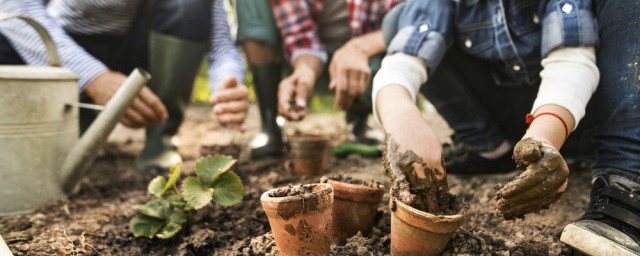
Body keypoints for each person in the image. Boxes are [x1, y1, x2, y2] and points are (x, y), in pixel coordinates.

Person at [375, 0, 639, 254]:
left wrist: (543, 137)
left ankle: (624, 179)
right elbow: (403, 62)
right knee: (399, 20)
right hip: (516, 123)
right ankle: (492, 151)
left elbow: (571, 62)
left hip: (586, 114)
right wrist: (401, 117)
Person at [0, 0, 248, 171]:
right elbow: (15, 9)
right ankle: (72, 124)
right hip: (67, 47)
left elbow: (222, 45)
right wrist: (93, 77)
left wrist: (228, 82)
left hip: (140, 50)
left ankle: (160, 138)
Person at [236, 0, 402, 159]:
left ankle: (358, 118)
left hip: (368, 61)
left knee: (405, 46)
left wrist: (359, 49)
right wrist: (305, 70)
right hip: (299, 58)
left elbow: (412, 19)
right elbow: (300, 34)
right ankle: (269, 123)